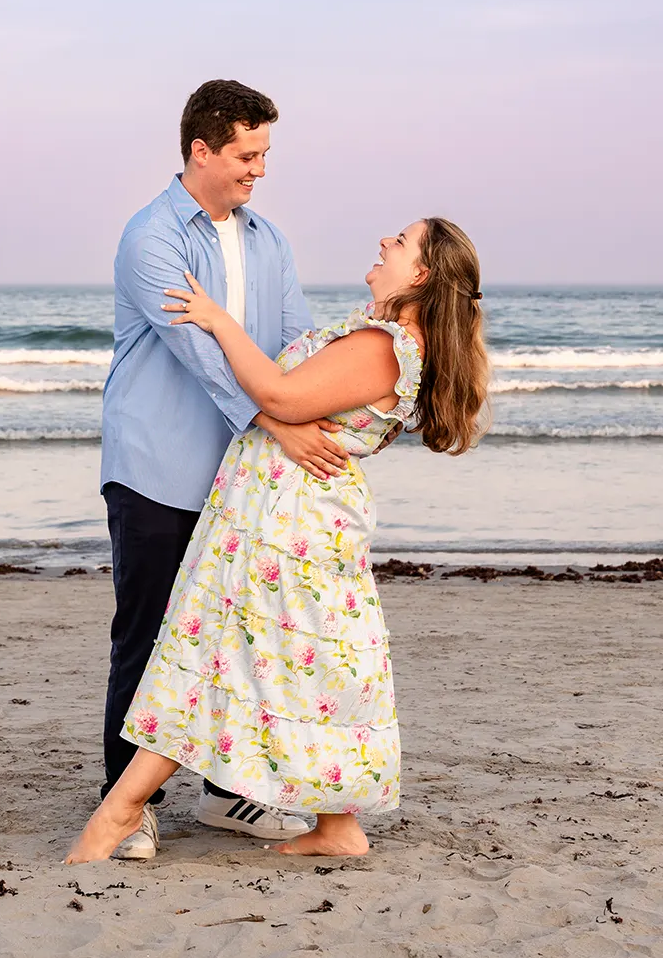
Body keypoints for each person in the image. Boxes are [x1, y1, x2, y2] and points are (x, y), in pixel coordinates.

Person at [68, 217, 490, 861]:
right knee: (299, 668)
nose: (384, 241)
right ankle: (337, 826)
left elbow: (279, 394)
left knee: (209, 653)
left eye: (401, 242)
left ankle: (120, 811)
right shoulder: (394, 340)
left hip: (283, 524)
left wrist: (217, 319)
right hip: (289, 516)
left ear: (422, 275)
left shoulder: (387, 344)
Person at [96, 79, 352, 860]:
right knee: (149, 637)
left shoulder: (268, 240)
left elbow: (299, 337)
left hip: (243, 474)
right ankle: (125, 805)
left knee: (239, 637)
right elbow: (203, 357)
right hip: (156, 467)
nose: (258, 170)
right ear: (200, 150)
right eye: (247, 154)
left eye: (265, 154)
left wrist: (342, 398)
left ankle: (225, 794)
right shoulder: (153, 238)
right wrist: (280, 421)